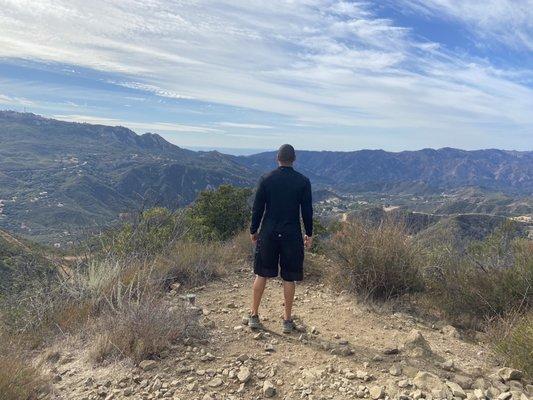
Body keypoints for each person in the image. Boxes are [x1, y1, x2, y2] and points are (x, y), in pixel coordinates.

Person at [249, 144, 313, 333]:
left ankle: (253, 315)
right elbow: (307, 211)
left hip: (268, 232)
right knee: (289, 277)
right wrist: (308, 233)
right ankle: (287, 321)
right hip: (291, 234)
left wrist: (254, 230)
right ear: (294, 159)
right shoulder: (303, 181)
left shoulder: (266, 179)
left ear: (278, 158)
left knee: (261, 274)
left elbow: (257, 208)